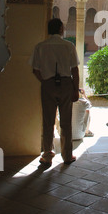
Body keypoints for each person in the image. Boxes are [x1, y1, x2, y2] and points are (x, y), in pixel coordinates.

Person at [31, 18, 79, 166]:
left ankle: (47, 155)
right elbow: (74, 70)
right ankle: (67, 155)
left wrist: (46, 82)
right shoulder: (68, 46)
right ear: (60, 29)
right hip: (65, 84)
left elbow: (35, 70)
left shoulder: (40, 46)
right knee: (65, 121)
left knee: (48, 121)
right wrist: (75, 89)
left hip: (48, 84)